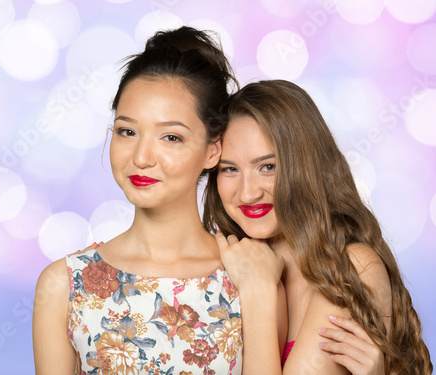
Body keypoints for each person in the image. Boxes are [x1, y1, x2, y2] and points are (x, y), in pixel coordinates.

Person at [33, 26, 383, 374]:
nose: (142, 157)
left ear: (211, 151)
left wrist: (260, 293)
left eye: (170, 136)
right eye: (127, 131)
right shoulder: (64, 284)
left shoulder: (252, 275)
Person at [203, 79, 433, 374]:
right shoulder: (219, 264)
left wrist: (258, 293)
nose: (248, 193)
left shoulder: (351, 268)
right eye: (230, 169)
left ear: (307, 166)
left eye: (268, 167)